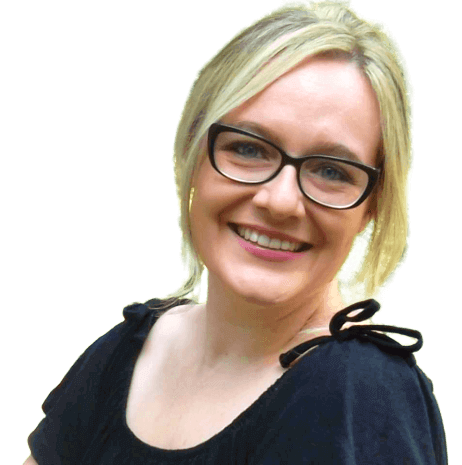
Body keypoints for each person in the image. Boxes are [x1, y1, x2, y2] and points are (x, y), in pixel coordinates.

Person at [24, 1, 448, 464]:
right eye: (248, 148)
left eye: (331, 170)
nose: (280, 201)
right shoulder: (125, 350)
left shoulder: (358, 396)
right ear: (193, 153)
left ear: (371, 206)